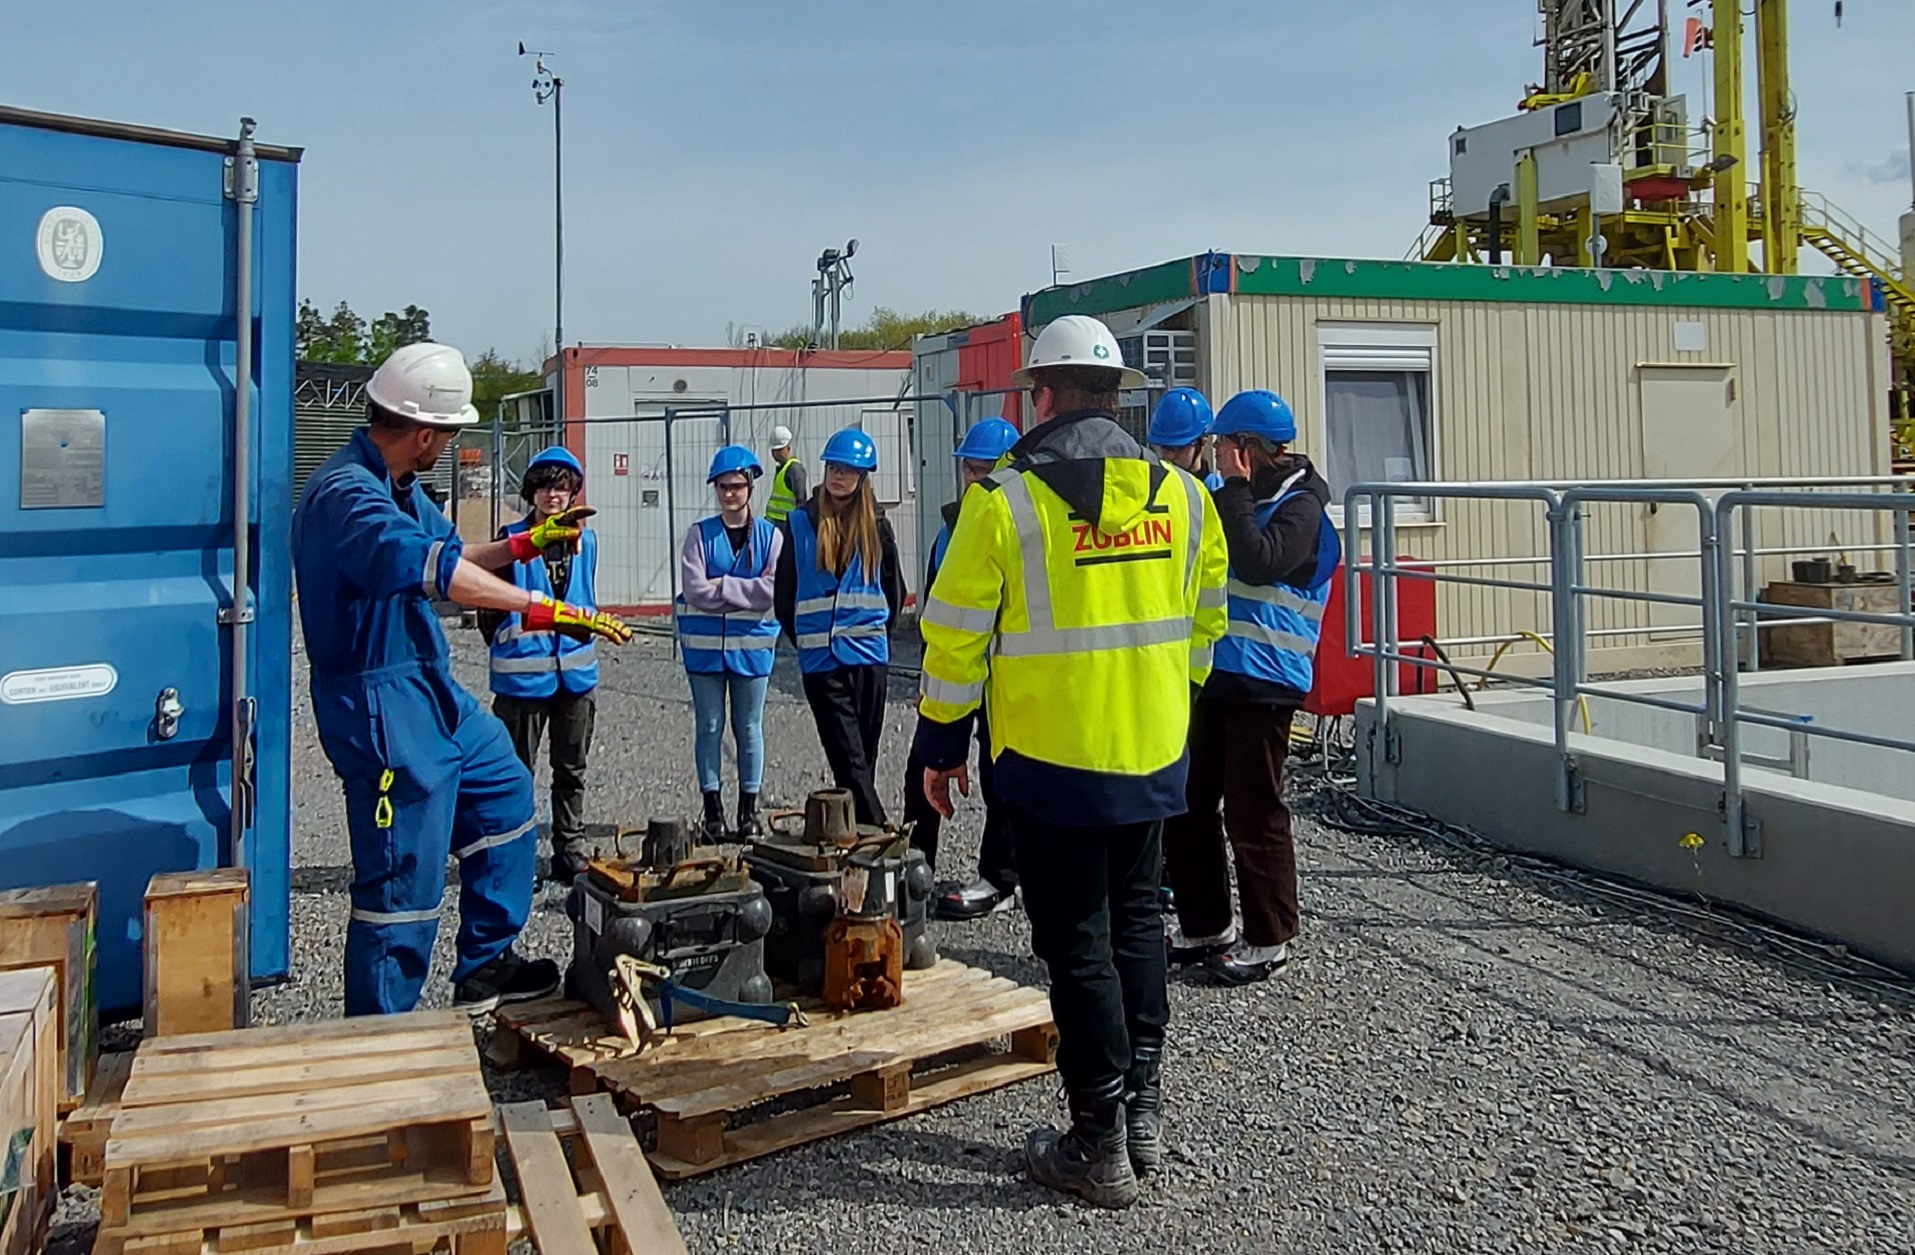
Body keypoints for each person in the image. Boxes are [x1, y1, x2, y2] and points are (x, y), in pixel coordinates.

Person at [915, 315, 1229, 1209]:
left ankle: (1097, 1138)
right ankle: (1140, 1115)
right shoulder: (1184, 495)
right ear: (1117, 393)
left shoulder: (1003, 500)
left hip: (1049, 763)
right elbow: (1204, 619)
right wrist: (1170, 701)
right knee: (1135, 925)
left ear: (1039, 395)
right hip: (1151, 752)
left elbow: (955, 637)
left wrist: (941, 742)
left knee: (1075, 944)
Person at [293, 343, 633, 1016]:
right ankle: (379, 1033)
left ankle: (484, 964)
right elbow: (434, 573)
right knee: (404, 873)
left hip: (429, 683)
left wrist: (523, 545)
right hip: (377, 700)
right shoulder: (345, 496)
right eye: (447, 433)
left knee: (505, 791)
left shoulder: (398, 488)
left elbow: (452, 554)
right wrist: (543, 607)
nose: (448, 445)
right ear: (424, 433)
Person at [1163, 390, 1339, 985]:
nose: (1214, 455)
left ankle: (1269, 938)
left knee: (1253, 811)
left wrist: (1234, 490)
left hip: (1267, 681)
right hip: (1217, 673)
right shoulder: (1228, 497)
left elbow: (1258, 559)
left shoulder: (1304, 509)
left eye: (1223, 446)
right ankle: (1205, 926)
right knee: (1187, 805)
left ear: (1246, 450)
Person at [901, 417, 1020, 920]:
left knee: (1002, 781)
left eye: (983, 468)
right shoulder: (950, 531)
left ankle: (1001, 877)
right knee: (921, 771)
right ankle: (913, 869)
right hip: (955, 677)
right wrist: (932, 685)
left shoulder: (1016, 524)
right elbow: (940, 617)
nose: (973, 478)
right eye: (968, 468)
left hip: (1005, 682)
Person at [479, 447, 602, 885]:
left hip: (576, 676)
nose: (554, 494)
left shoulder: (586, 541)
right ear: (532, 491)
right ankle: (514, 855)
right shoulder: (510, 538)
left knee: (571, 770)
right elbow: (487, 609)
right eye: (547, 486)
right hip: (521, 679)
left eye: (564, 486)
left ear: (574, 494)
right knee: (515, 774)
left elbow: (586, 597)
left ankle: (569, 849)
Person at [773, 426, 904, 827]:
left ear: (863, 477)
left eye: (847, 470)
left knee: (862, 758)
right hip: (821, 663)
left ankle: (852, 837)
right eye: (833, 467)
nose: (837, 476)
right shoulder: (799, 524)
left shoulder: (878, 527)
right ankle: (880, 830)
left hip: (868, 659)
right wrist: (810, 640)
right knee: (847, 756)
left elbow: (893, 592)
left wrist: (874, 631)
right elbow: (784, 597)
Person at [677, 446, 783, 841]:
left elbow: (773, 590)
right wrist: (745, 590)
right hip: (704, 651)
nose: (729, 493)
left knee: (749, 726)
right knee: (708, 725)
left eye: (736, 486)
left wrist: (724, 585)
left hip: (753, 649)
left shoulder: (771, 537)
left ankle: (748, 811)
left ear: (750, 487)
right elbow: (695, 590)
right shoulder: (698, 535)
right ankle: (713, 812)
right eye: (723, 487)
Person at [1148, 387, 1223, 492]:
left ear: (1203, 440)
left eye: (1180, 448)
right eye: (1165, 448)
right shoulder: (1152, 491)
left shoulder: (1218, 493)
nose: (1170, 456)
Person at [765, 425, 807, 524]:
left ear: (788, 448)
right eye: (773, 450)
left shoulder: (794, 470)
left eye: (779, 450)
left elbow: (801, 501)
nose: (775, 454)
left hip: (787, 525)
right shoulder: (783, 469)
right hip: (775, 523)